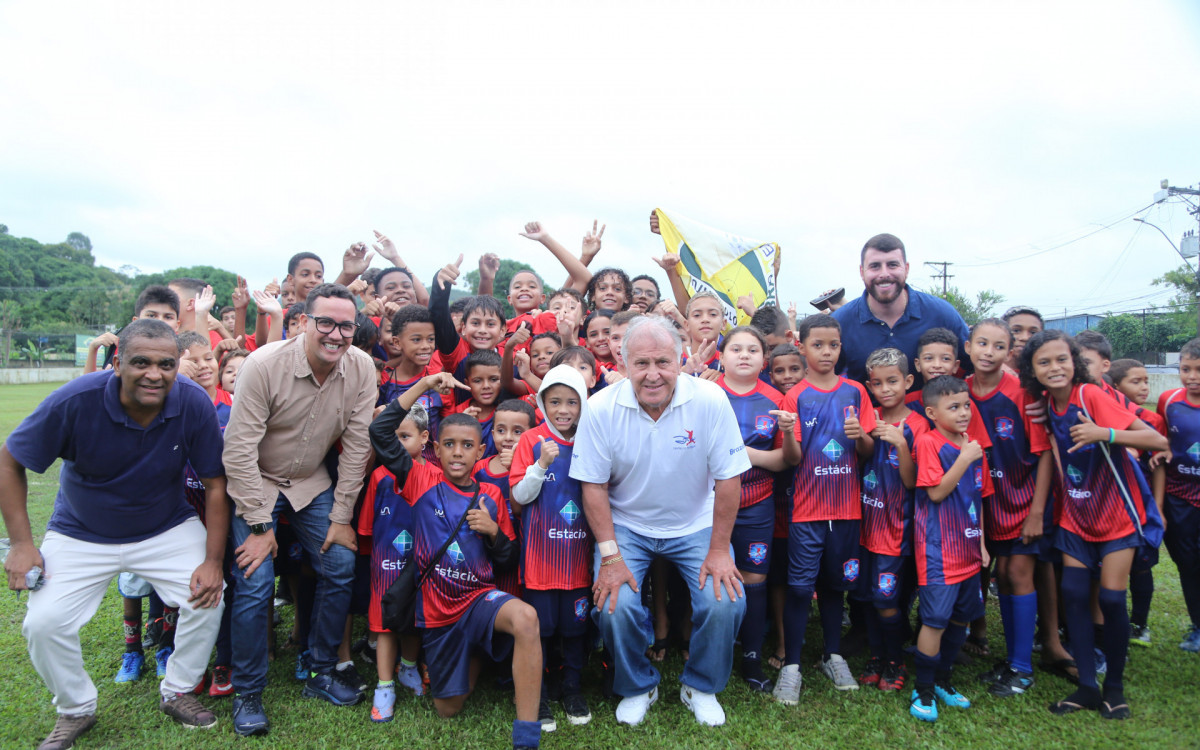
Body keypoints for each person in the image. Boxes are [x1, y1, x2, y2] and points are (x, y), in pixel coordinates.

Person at [1, 319, 228, 748]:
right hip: (80, 531)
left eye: (165, 364)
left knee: (208, 595)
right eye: (141, 362)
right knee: (43, 623)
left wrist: (213, 562)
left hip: (164, 527)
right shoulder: (76, 400)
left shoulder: (193, 402)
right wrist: (22, 545)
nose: (154, 374)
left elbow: (216, 484)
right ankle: (76, 707)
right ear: (117, 361)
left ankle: (177, 688)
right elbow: (9, 461)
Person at [569, 316, 750, 727]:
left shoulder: (709, 399)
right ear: (622, 360)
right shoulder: (600, 408)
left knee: (726, 601)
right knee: (614, 605)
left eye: (664, 362)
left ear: (681, 356)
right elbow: (593, 487)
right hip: (627, 524)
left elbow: (729, 477)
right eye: (642, 363)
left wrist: (720, 550)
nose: (653, 375)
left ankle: (701, 685)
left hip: (696, 522)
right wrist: (611, 557)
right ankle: (637, 685)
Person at [222, 283, 377, 736]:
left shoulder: (362, 367)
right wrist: (257, 522)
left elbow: (356, 448)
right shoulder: (263, 364)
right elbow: (238, 449)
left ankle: (323, 670)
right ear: (305, 322)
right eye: (325, 322)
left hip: (311, 482)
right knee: (254, 580)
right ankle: (249, 691)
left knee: (341, 562)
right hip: (257, 480)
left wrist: (342, 516)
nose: (336, 334)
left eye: (346, 325)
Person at [370, 379, 543, 750]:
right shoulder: (420, 479)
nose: (458, 453)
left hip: (480, 600)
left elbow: (508, 558)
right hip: (439, 612)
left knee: (526, 618)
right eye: (449, 445)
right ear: (435, 449)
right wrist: (425, 384)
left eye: (467, 446)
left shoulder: (492, 493)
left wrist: (494, 532)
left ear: (481, 449)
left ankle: (527, 735)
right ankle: (475, 653)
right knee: (448, 708)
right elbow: (380, 430)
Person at [1019, 330, 1167, 719]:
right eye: (1044, 362)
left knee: (1113, 599)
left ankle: (1113, 687)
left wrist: (1105, 433)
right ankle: (1086, 685)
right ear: (1033, 371)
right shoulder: (1047, 403)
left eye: (1062, 359)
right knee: (1073, 596)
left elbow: (1154, 439)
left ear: (1075, 362)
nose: (1055, 368)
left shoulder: (1091, 396)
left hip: (1116, 516)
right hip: (1076, 516)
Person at [774, 314, 876, 702]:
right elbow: (793, 458)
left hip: (848, 511)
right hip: (807, 512)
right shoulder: (795, 395)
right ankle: (792, 665)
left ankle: (832, 655)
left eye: (833, 345)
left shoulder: (856, 392)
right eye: (818, 345)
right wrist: (786, 431)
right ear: (802, 346)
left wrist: (861, 437)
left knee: (836, 588)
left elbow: (866, 452)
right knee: (800, 589)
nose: (827, 352)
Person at [964, 319, 1053, 698]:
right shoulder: (961, 390)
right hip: (983, 502)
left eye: (998, 346)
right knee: (999, 574)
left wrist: (1036, 511)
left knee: (1017, 574)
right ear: (967, 347)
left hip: (1020, 501)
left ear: (1010, 351)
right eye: (981, 343)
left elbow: (1045, 453)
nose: (988, 352)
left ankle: (1021, 667)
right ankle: (1010, 661)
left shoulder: (1022, 392)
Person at [510, 365, 593, 730]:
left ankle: (572, 686)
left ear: (583, 403)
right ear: (542, 401)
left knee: (575, 627)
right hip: (540, 561)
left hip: (578, 560)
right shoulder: (531, 440)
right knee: (540, 629)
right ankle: (538, 693)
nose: (563, 410)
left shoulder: (592, 438)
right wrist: (540, 465)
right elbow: (518, 497)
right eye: (555, 401)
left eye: (572, 402)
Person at [908, 375, 992, 723]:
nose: (963, 413)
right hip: (938, 552)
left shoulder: (971, 443)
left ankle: (943, 680)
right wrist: (964, 457)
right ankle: (923, 689)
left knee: (962, 618)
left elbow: (978, 497)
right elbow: (936, 492)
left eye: (966, 406)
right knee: (936, 620)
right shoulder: (930, 443)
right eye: (953, 407)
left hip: (970, 551)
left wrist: (983, 544)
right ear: (931, 411)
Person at [715, 327, 790, 693]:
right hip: (708, 504)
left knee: (754, 580)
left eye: (753, 350)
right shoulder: (707, 394)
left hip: (757, 503)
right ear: (722, 355)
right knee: (711, 577)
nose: (744, 355)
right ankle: (716, 652)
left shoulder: (777, 400)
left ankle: (752, 656)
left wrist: (742, 454)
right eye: (736, 349)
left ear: (765, 358)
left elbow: (785, 459)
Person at [858, 347, 926, 692]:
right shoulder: (868, 418)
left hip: (896, 530)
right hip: (865, 524)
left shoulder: (918, 425)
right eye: (877, 383)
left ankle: (895, 659)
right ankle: (876, 656)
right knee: (868, 598)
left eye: (892, 381)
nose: (885, 389)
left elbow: (915, 481)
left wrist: (900, 444)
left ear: (908, 381)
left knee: (887, 600)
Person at [360, 402, 431, 723]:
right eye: (392, 437)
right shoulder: (378, 476)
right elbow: (367, 526)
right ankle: (384, 686)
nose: (396, 444)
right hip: (385, 566)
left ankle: (410, 668)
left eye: (404, 436)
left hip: (419, 565)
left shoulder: (435, 475)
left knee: (416, 618)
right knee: (384, 624)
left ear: (424, 438)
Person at [831, 233, 969, 386]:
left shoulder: (942, 314)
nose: (884, 274)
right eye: (875, 266)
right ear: (862, 272)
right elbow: (820, 381)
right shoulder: (840, 323)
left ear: (906, 269)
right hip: (864, 409)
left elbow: (975, 366)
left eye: (892, 265)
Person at [1157, 338, 1200, 652]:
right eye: (1186, 369)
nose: (1192, 376)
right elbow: (1160, 439)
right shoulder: (1169, 400)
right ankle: (1197, 626)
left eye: (1199, 370)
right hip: (1178, 496)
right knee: (1188, 564)